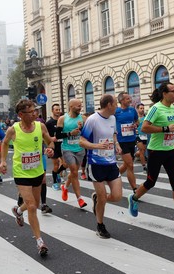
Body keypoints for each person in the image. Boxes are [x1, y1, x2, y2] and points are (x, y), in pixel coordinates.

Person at [128, 82, 174, 231]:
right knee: (150, 182)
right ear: (164, 94)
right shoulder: (155, 108)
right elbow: (145, 127)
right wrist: (165, 129)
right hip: (155, 151)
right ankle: (133, 198)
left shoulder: (173, 108)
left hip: (170, 150)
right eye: (173, 91)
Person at [0, 99, 54, 257]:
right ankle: (40, 241)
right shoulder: (13, 129)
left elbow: (50, 142)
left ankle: (17, 210)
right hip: (21, 172)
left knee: (35, 204)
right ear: (21, 114)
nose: (35, 114)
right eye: (31, 112)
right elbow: (4, 143)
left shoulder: (40, 126)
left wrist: (50, 149)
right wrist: (3, 161)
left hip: (37, 171)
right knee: (31, 206)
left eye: (35, 111)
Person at [79, 94, 123, 239]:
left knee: (117, 196)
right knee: (103, 197)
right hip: (96, 163)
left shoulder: (113, 118)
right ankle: (100, 225)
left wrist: (116, 145)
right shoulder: (93, 119)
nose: (117, 106)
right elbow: (82, 141)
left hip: (111, 162)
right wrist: (96, 145)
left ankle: (97, 199)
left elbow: (114, 135)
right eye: (115, 103)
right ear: (109, 105)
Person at [55, 99, 87, 208]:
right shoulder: (63, 119)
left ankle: (65, 187)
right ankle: (80, 198)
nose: (80, 107)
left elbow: (87, 133)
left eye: (81, 105)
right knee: (74, 171)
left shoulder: (83, 119)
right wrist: (70, 133)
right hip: (67, 148)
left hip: (80, 149)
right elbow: (58, 135)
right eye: (78, 106)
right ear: (71, 106)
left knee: (74, 172)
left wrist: (82, 128)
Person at [114, 92, 139, 192]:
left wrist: (135, 125)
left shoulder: (132, 110)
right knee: (130, 165)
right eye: (128, 98)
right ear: (122, 101)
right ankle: (135, 189)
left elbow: (137, 121)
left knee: (127, 163)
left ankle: (113, 176)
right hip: (121, 140)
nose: (130, 100)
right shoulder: (116, 111)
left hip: (131, 139)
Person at [45, 103, 65, 191]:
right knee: (56, 165)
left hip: (63, 145)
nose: (58, 111)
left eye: (59, 109)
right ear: (52, 111)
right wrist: (50, 140)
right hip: (54, 146)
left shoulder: (63, 121)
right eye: (56, 110)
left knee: (66, 164)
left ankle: (57, 173)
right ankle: (55, 183)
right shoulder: (49, 123)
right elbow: (45, 135)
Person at [135, 103, 148, 170]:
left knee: (142, 151)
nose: (142, 110)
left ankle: (135, 154)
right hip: (138, 135)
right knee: (142, 150)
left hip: (144, 135)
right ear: (137, 109)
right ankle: (144, 166)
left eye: (143, 108)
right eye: (141, 108)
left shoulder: (146, 117)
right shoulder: (135, 117)